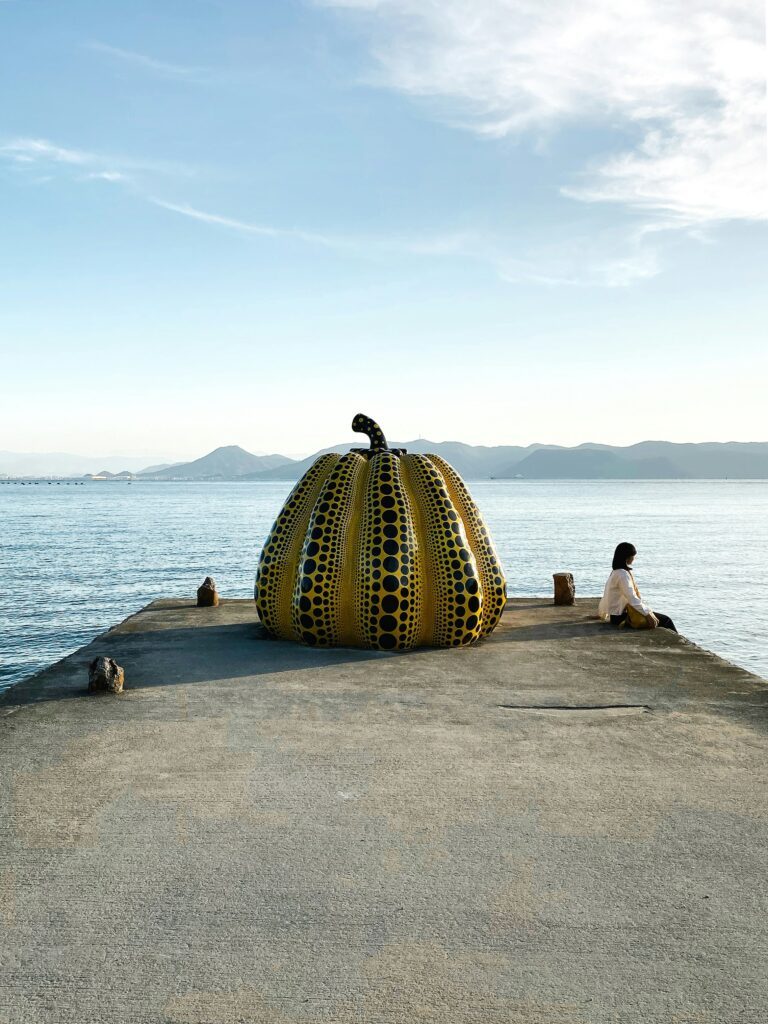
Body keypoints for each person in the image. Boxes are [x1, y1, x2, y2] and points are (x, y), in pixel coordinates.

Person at [598, 542, 677, 631]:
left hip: (615, 617)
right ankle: (680, 645)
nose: (634, 558)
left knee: (662, 620)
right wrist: (647, 613)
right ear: (627, 557)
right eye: (633, 556)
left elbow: (606, 595)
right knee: (666, 620)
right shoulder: (622, 574)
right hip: (622, 618)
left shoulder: (615, 572)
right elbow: (632, 598)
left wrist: (601, 613)